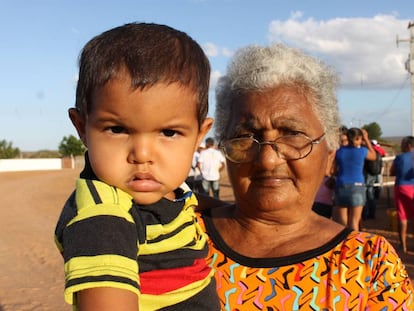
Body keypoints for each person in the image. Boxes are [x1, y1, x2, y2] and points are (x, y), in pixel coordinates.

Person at [196, 43, 413, 310]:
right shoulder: (178, 235)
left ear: (329, 154)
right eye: (244, 137)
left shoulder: (369, 264)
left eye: (292, 134)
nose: (268, 159)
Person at [54, 23, 220, 311]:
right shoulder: (103, 219)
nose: (142, 155)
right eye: (117, 129)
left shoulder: (165, 187)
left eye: (169, 133)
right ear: (82, 127)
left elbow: (189, 203)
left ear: (199, 135)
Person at [333, 127, 377, 230]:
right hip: (357, 186)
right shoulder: (362, 151)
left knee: (342, 222)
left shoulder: (340, 151)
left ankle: (342, 243)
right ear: (359, 138)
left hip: (341, 185)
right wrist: (366, 139)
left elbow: (334, 170)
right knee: (354, 221)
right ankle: (355, 245)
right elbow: (374, 156)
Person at [390, 136, 414, 254]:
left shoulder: (399, 158)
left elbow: (392, 172)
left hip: (401, 187)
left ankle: (403, 245)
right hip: (412, 188)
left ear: (408, 145)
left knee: (402, 216)